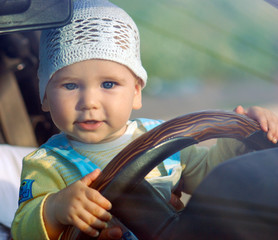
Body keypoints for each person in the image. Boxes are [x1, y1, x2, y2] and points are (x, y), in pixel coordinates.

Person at [11, 0, 278, 239]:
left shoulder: (165, 140)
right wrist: (55, 209)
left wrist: (242, 139)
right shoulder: (47, 164)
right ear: (44, 97)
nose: (89, 102)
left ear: (136, 92)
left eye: (108, 83)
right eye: (70, 86)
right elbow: (21, 229)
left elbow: (210, 178)